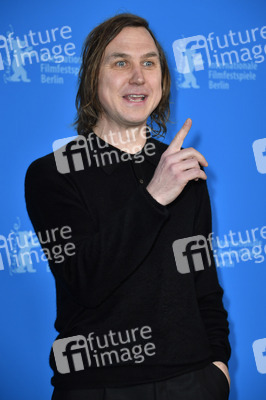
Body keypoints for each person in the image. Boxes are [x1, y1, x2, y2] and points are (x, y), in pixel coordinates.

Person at [25, 13, 231, 400]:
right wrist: (154, 196)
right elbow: (87, 281)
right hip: (98, 387)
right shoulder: (51, 174)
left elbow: (203, 282)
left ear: (163, 81)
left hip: (193, 382)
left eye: (149, 63)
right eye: (121, 62)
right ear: (93, 78)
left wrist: (218, 366)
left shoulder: (181, 167)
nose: (138, 77)